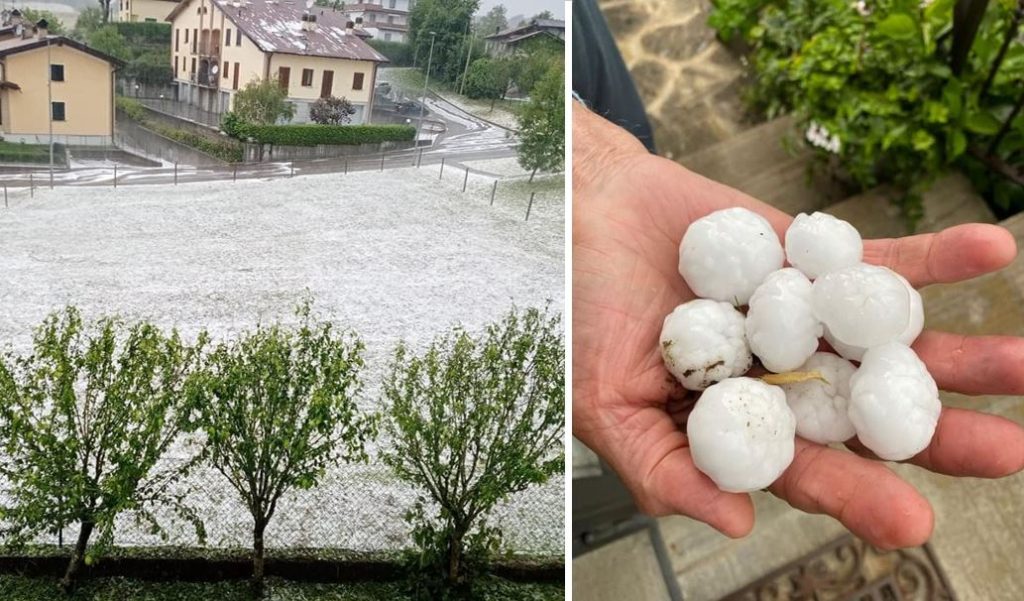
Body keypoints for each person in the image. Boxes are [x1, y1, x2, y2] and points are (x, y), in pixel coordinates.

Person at [572, 87, 1024, 550]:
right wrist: (600, 173)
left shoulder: (823, 319)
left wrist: (604, 164)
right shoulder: (775, 306)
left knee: (622, 104)